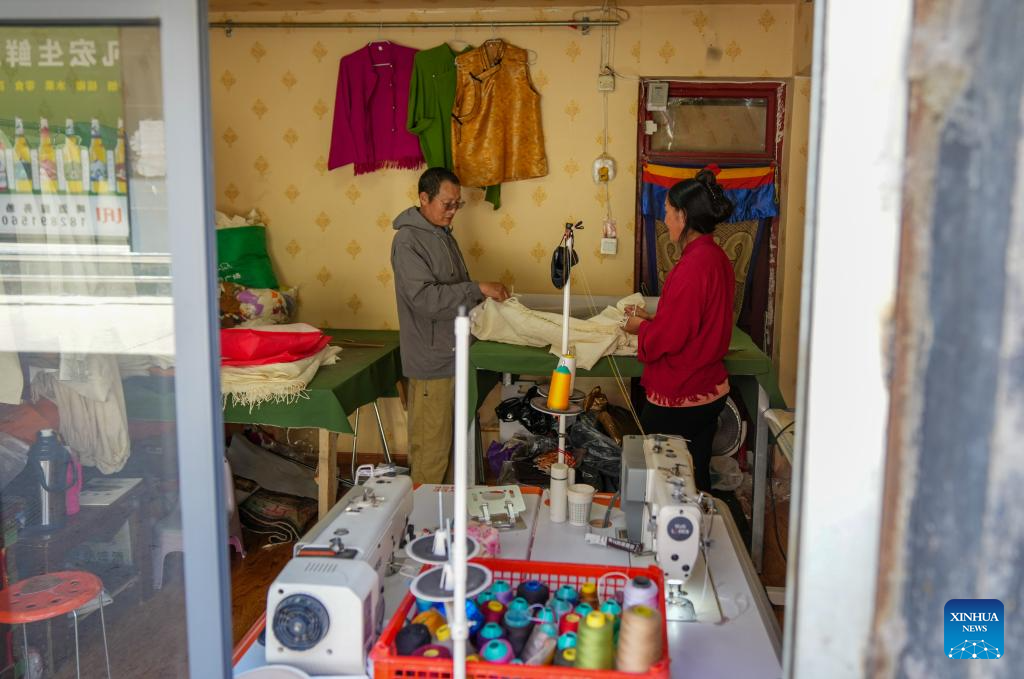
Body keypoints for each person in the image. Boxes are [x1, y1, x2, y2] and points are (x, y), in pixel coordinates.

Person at [391, 167, 510, 483]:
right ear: (424, 198)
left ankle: (450, 514)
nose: (453, 211)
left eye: (458, 204)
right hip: (433, 364)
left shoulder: (441, 234)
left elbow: (453, 291)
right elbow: (426, 300)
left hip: (454, 355)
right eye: (447, 204)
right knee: (431, 457)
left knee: (454, 453)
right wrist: (477, 289)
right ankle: (424, 515)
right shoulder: (408, 241)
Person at [622, 170, 735, 491]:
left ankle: (665, 521)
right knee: (695, 476)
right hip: (708, 389)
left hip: (684, 393)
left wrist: (641, 328)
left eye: (669, 212)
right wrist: (652, 318)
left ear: (684, 216)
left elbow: (672, 337)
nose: (665, 220)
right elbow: (694, 321)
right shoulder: (715, 257)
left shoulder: (692, 267)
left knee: (659, 478)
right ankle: (700, 519)